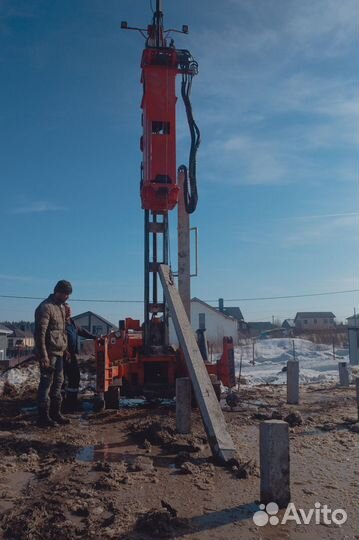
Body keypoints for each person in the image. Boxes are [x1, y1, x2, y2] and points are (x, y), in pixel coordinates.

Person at [34, 280, 73, 427]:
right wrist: (43, 355)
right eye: (65, 294)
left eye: (68, 294)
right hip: (49, 354)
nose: (67, 297)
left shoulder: (61, 308)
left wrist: (66, 349)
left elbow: (63, 332)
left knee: (58, 383)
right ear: (58, 291)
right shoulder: (45, 307)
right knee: (46, 384)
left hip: (60, 352)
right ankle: (43, 418)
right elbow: (40, 334)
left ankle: (55, 414)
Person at [63, 303, 97, 411]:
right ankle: (60, 403)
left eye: (70, 310)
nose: (69, 312)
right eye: (67, 310)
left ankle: (72, 401)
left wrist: (95, 337)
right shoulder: (59, 324)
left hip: (72, 355)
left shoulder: (71, 323)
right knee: (61, 380)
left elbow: (81, 331)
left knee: (75, 377)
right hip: (62, 355)